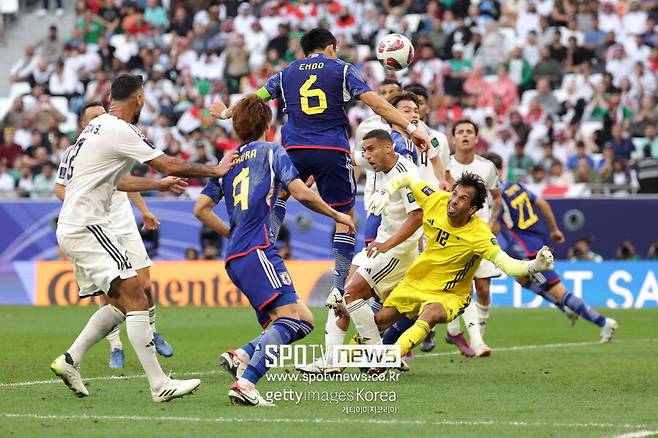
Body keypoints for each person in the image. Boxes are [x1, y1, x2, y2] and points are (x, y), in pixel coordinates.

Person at [211, 28, 429, 314]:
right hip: (331, 149)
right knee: (344, 215)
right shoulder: (340, 69)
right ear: (330, 48)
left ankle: (266, 248)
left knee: (281, 195)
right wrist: (411, 128)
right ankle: (339, 287)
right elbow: (374, 102)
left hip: (294, 148)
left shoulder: (286, 73)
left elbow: (256, 98)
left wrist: (227, 112)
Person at [51, 74, 237, 402]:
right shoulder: (121, 129)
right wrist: (215, 170)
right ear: (138, 100)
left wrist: (159, 185)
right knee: (138, 296)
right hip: (88, 226)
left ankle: (71, 359)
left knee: (125, 302)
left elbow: (116, 180)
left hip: (76, 226)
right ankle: (159, 384)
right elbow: (164, 161)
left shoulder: (96, 129)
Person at [193, 94, 355, 406]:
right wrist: (337, 215)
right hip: (257, 250)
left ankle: (242, 355)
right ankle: (247, 383)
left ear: (237, 129)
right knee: (288, 319)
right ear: (268, 126)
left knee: (303, 319)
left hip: (238, 255)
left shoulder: (227, 162)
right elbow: (301, 194)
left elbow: (200, 209)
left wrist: (233, 234)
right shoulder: (272, 152)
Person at [366, 172, 556, 361]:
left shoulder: (480, 235)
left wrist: (534, 266)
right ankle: (340, 362)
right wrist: (386, 191)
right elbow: (408, 178)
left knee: (429, 314)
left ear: (472, 209)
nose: (454, 200)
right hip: (418, 282)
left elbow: (508, 265)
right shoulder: (437, 199)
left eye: (462, 198)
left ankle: (386, 360)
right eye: (454, 193)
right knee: (380, 320)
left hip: (450, 295)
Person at [54, 101, 182, 369]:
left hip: (122, 220)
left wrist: (144, 210)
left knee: (145, 285)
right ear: (83, 124)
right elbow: (60, 188)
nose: (101, 120)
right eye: (94, 117)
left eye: (103, 114)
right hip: (96, 222)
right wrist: (78, 208)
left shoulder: (113, 142)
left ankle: (151, 330)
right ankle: (116, 346)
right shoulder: (73, 153)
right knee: (110, 289)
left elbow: (124, 181)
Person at [299, 129, 423, 374]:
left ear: (389, 148)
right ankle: (333, 360)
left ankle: (379, 356)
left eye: (371, 149)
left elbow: (418, 216)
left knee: (352, 294)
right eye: (364, 150)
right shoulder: (375, 162)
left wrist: (388, 245)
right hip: (380, 245)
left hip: (397, 251)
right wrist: (312, 171)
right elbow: (342, 157)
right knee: (341, 295)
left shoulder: (406, 173)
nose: (367, 155)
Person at [483, 152, 618, 342]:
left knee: (558, 291)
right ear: (502, 168)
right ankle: (566, 308)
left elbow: (494, 227)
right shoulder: (517, 186)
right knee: (522, 279)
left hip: (527, 250)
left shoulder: (496, 197)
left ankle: (603, 322)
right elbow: (544, 204)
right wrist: (554, 230)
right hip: (537, 243)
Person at [441, 120, 503, 357]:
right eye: (460, 132)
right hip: (456, 238)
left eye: (470, 132)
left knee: (484, 290)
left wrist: (493, 221)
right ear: (453, 137)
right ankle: (472, 339)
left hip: (481, 235)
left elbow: (496, 198)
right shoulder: (444, 166)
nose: (465, 135)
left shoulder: (487, 167)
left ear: (477, 138)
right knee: (462, 289)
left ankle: (474, 333)